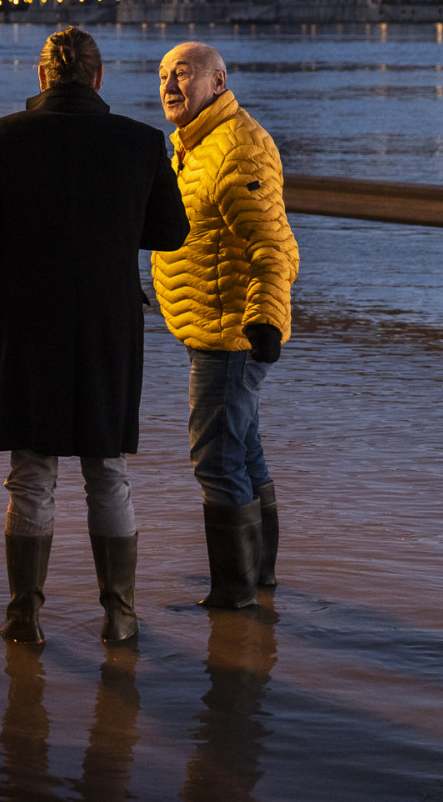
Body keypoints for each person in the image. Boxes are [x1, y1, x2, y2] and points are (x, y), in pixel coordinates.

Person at [0, 28, 188, 644]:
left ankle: (24, 616)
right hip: (108, 322)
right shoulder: (141, 143)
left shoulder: (0, 140)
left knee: (33, 471)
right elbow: (171, 231)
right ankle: (121, 617)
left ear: (42, 78)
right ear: (99, 78)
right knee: (106, 469)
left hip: (25, 323)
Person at [149, 42, 299, 609]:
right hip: (210, 322)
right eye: (162, 75)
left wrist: (264, 320)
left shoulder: (237, 147)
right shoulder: (196, 145)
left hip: (231, 331)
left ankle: (232, 597)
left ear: (218, 80)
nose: (169, 86)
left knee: (215, 459)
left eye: (182, 75)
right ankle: (259, 582)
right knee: (243, 452)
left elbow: (274, 245)